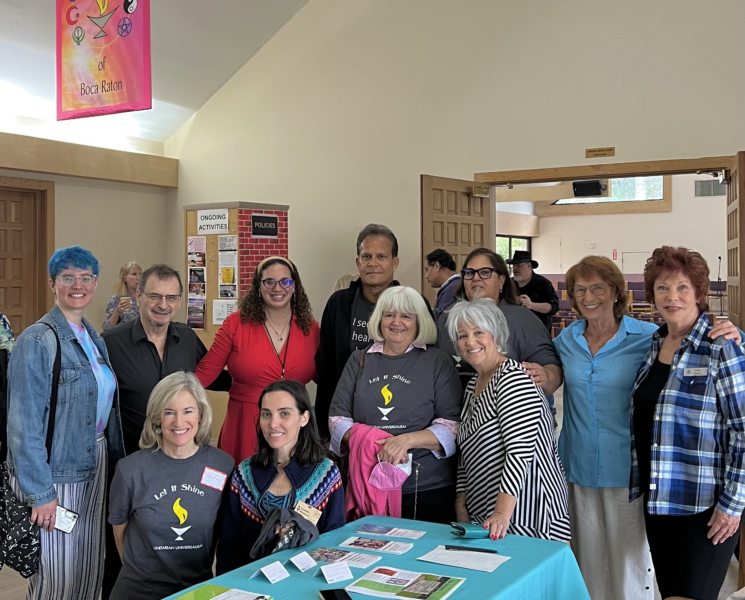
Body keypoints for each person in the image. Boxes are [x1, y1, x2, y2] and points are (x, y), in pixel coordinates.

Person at [101, 263, 231, 599]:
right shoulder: (111, 344)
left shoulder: (187, 338)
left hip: (179, 462)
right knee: (123, 559)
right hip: (130, 464)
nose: (163, 304)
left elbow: (211, 376)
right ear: (138, 295)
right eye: (155, 296)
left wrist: (257, 384)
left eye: (172, 298)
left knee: (179, 545)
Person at [6, 246, 125, 600]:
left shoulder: (93, 338)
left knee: (87, 572)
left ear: (96, 282)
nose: (78, 285)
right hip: (57, 471)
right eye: (67, 278)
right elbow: (23, 427)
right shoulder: (37, 340)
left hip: (97, 460)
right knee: (56, 580)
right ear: (52, 283)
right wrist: (40, 494)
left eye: (86, 277)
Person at [630, 246, 745, 600]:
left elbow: (742, 429)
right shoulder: (655, 342)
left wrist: (733, 503)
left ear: (698, 292)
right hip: (660, 499)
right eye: (663, 288)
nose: (672, 297)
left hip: (705, 504)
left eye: (682, 287)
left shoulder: (720, 346)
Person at [329, 286, 462, 524]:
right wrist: (372, 441)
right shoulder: (359, 359)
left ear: (419, 321)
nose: (396, 322)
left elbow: (452, 425)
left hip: (426, 487)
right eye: (389, 314)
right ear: (379, 319)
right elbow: (337, 419)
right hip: (367, 484)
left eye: (406, 316)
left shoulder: (437, 362)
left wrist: (405, 441)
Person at [448, 298, 570, 542]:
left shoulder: (512, 379)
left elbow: (520, 452)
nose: (470, 342)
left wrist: (502, 512)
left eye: (479, 332)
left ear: (496, 335)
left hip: (528, 513)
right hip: (486, 512)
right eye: (462, 336)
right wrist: (461, 501)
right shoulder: (473, 385)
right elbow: (465, 448)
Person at [108, 372, 233, 600]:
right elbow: (119, 532)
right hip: (139, 591)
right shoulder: (130, 470)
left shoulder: (223, 465)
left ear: (201, 415)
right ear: (157, 418)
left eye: (188, 411)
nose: (178, 422)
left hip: (197, 590)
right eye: (169, 412)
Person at [197, 256, 319, 464]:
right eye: (269, 281)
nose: (277, 288)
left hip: (293, 429)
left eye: (285, 281)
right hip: (246, 424)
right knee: (245, 490)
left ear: (294, 286)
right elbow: (205, 373)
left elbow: (325, 377)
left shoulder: (311, 327)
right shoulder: (236, 324)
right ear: (258, 286)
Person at [216, 380, 344, 574]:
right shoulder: (243, 474)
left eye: (284, 413)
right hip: (250, 584)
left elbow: (334, 543)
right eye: (266, 414)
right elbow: (229, 547)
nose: (273, 424)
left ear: (304, 418)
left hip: (305, 583)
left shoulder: (326, 474)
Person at [316, 224, 410, 440]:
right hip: (347, 425)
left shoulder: (413, 307)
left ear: (395, 262)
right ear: (358, 262)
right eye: (366, 256)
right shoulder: (338, 305)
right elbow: (327, 370)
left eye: (381, 256)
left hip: (400, 424)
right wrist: (324, 433)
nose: (373, 263)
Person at [435, 248, 563, 396]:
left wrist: (546, 377)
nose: (476, 278)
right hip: (452, 413)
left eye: (485, 272)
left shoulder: (523, 319)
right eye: (469, 273)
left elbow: (552, 368)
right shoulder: (445, 315)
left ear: (501, 280)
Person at [507, 250, 559, 333]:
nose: (515, 268)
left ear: (529, 266)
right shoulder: (508, 284)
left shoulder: (543, 284)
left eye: (519, 265)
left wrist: (531, 305)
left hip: (538, 331)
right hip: (513, 331)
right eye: (513, 265)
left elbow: (553, 307)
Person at [103, 261, 142, 331]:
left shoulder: (145, 297)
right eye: (134, 274)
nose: (138, 278)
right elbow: (107, 328)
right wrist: (117, 312)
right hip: (123, 338)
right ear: (125, 278)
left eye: (140, 274)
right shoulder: (116, 299)